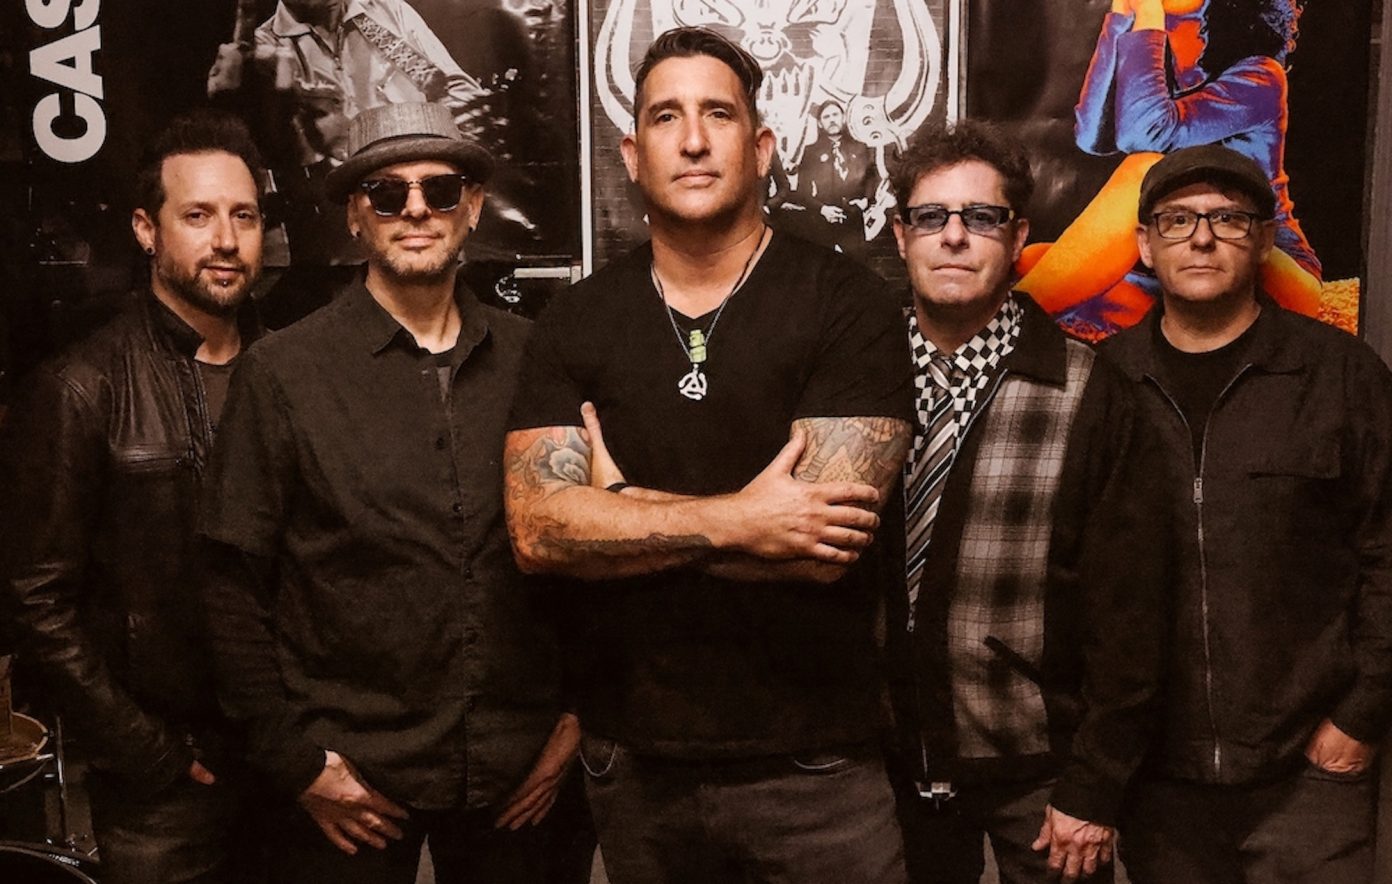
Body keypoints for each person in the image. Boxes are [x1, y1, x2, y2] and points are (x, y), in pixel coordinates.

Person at [503, 26, 915, 884]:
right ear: (631, 154)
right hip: (635, 767)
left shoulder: (850, 304)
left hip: (816, 767)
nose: (693, 139)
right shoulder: (575, 321)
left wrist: (620, 506)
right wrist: (742, 520)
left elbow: (821, 545)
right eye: (666, 117)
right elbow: (539, 532)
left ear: (762, 147)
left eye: (718, 114)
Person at [198, 101, 586, 884]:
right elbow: (229, 584)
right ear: (355, 215)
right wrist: (296, 763)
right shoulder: (284, 373)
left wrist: (576, 725)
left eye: (440, 190)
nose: (415, 209)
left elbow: (589, 553)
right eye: (385, 192)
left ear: (472, 208)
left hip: (522, 769)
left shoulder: (536, 357)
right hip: (350, 774)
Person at [880, 119, 1166, 884]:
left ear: (1018, 237)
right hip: (882, 763)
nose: (954, 237)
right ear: (901, 235)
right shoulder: (854, 373)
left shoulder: (1089, 389)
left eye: (981, 217)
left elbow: (1133, 612)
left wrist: (1096, 785)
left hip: (1042, 771)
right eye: (931, 217)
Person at [1103, 144, 1392, 883]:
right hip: (1157, 781)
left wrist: (1361, 714)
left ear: (1263, 240)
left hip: (1309, 774)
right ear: (1145, 244)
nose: (1201, 238)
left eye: (1228, 219)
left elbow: (1387, 552)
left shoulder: (1341, 375)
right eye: (1177, 219)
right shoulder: (1107, 382)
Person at [0, 110, 268, 884]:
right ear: (147, 230)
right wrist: (145, 752)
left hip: (293, 766)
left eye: (244, 216)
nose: (226, 239)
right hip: (166, 787)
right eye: (198, 215)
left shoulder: (294, 369)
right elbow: (34, 600)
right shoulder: (82, 387)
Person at [1019, 0, 1321, 324]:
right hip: (1182, 261)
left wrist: (1149, 18)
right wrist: (1121, 18)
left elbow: (1142, 134)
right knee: (1035, 261)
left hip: (1268, 269)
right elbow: (1092, 136)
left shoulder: (1261, 75)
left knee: (1145, 171)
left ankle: (1009, 326)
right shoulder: (1160, 54)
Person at [206, 0, 490, 263]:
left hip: (426, 219)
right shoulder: (262, 52)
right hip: (337, 244)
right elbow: (271, 156)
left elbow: (460, 92)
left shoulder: (387, 11)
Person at [794, 99, 880, 260]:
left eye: (835, 115)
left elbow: (871, 179)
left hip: (852, 220)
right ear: (820, 123)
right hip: (821, 222)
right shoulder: (811, 152)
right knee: (822, 267)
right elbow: (802, 191)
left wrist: (865, 201)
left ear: (843, 118)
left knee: (856, 266)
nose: (832, 120)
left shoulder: (860, 148)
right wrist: (822, 209)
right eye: (826, 117)